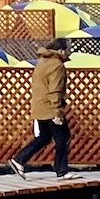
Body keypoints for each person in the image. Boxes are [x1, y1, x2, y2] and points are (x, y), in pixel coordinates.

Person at [11, 40, 73, 178]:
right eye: (69, 49)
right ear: (61, 51)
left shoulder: (42, 62)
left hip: (39, 106)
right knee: (63, 137)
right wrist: (57, 111)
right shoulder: (57, 65)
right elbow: (55, 90)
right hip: (50, 107)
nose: (70, 52)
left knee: (44, 137)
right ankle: (61, 170)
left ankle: (19, 159)